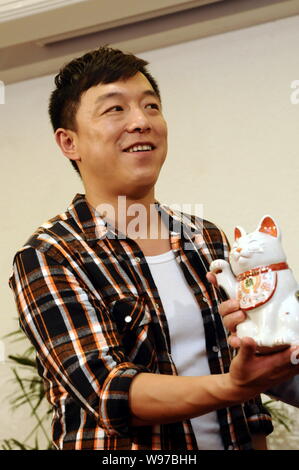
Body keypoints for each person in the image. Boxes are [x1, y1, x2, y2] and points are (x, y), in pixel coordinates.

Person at [8, 46, 299, 451]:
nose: (142, 121)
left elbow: (250, 402)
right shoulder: (51, 254)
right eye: (115, 110)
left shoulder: (206, 239)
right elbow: (111, 393)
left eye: (151, 106)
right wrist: (234, 385)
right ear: (69, 142)